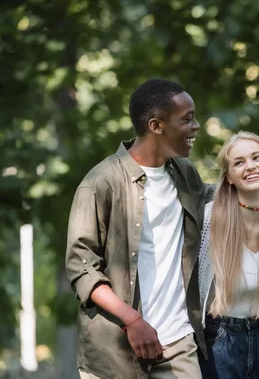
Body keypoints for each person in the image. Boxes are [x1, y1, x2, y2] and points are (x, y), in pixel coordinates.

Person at [65, 79, 213, 378]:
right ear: (156, 126)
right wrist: (133, 321)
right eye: (187, 119)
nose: (196, 126)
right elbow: (82, 269)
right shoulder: (100, 183)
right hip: (115, 354)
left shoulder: (184, 173)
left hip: (178, 342)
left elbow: (216, 198)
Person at [198, 132, 259, 379]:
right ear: (229, 177)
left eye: (257, 158)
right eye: (239, 162)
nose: (250, 166)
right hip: (217, 341)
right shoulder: (209, 219)